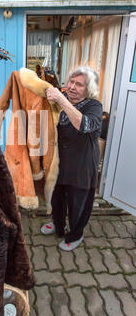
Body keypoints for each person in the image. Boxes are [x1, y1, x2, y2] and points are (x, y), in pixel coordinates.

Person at [41, 66, 103, 251]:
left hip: (82, 166)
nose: (72, 87)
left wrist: (61, 99)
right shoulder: (60, 99)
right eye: (71, 82)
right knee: (56, 198)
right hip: (60, 163)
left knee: (78, 204)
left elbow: (83, 125)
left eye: (79, 84)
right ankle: (58, 225)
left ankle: (76, 234)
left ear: (88, 89)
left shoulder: (94, 106)